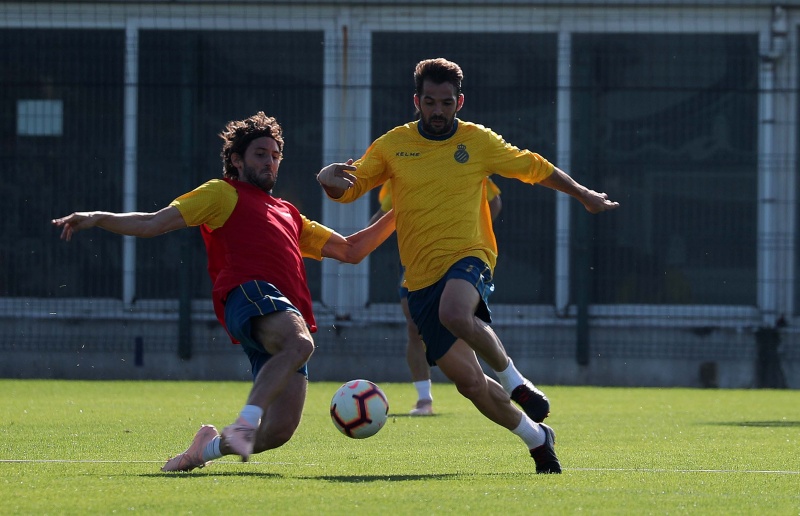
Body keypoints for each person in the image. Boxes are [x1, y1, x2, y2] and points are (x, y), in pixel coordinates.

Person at [317, 58, 619, 474]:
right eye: (429, 102)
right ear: (417, 101)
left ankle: (515, 381)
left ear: (459, 101)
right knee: (471, 385)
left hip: (470, 255)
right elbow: (350, 188)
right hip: (420, 278)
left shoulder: (478, 141)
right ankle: (537, 438)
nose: (437, 111)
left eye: (445, 102)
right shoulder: (392, 145)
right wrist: (328, 179)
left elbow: (532, 166)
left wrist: (583, 194)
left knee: (455, 312)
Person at [52, 112, 396, 472]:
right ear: (237, 159)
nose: (270, 162)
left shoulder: (289, 213)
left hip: (282, 314)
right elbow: (152, 222)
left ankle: (206, 449)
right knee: (300, 344)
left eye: (275, 156)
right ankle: (246, 419)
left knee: (279, 431)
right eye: (261, 154)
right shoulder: (221, 192)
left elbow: (351, 251)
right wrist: (98, 216)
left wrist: (400, 210)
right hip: (248, 295)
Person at [369, 179, 502, 416]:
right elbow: (385, 213)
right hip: (420, 261)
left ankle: (505, 381)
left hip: (461, 257)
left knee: (460, 321)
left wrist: (475, 235)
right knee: (413, 326)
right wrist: (358, 244)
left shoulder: (462, 157)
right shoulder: (401, 164)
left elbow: (494, 201)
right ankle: (424, 399)